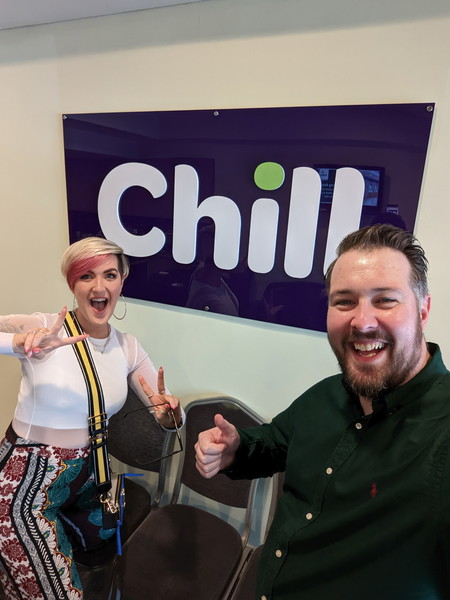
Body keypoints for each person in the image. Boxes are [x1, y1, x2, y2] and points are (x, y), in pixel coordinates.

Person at [195, 223, 450, 600]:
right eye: (344, 301)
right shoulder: (328, 393)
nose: (362, 322)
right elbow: (275, 441)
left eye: (385, 300)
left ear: (423, 310)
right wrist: (236, 450)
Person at [0, 237, 182, 600]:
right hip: (27, 483)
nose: (99, 287)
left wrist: (170, 415)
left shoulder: (128, 346)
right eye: (86, 276)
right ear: (73, 284)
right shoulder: (45, 327)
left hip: (88, 479)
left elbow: (167, 415)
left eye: (109, 275)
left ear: (122, 281)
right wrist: (18, 344)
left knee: (102, 555)